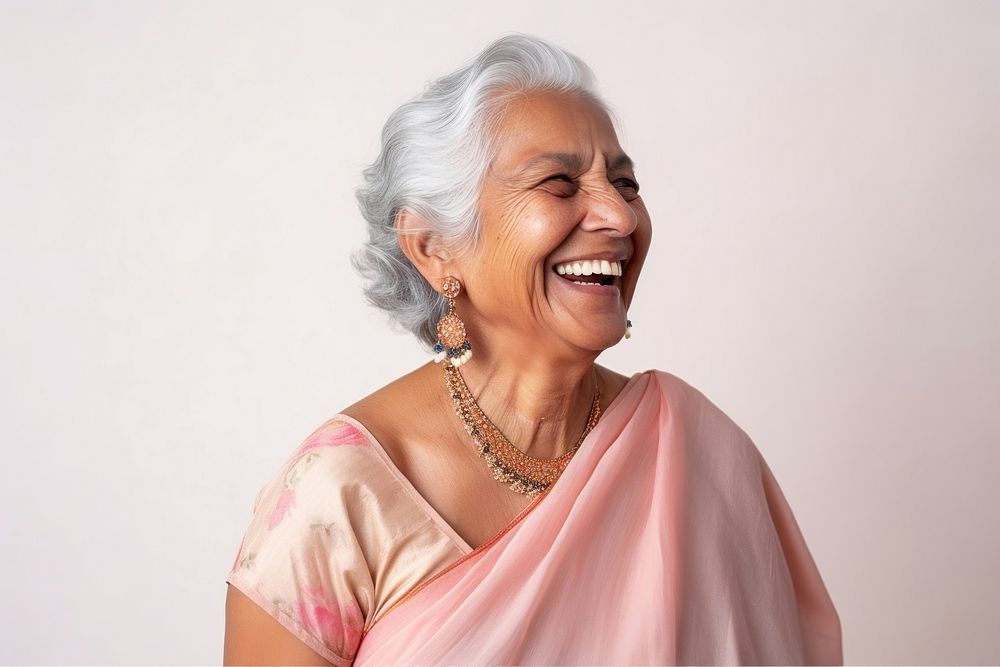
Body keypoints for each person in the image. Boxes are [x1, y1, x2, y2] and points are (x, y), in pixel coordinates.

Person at [223, 33, 843, 665]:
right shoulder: (341, 497)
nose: (621, 218)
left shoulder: (697, 452)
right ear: (435, 246)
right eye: (559, 183)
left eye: (625, 184)